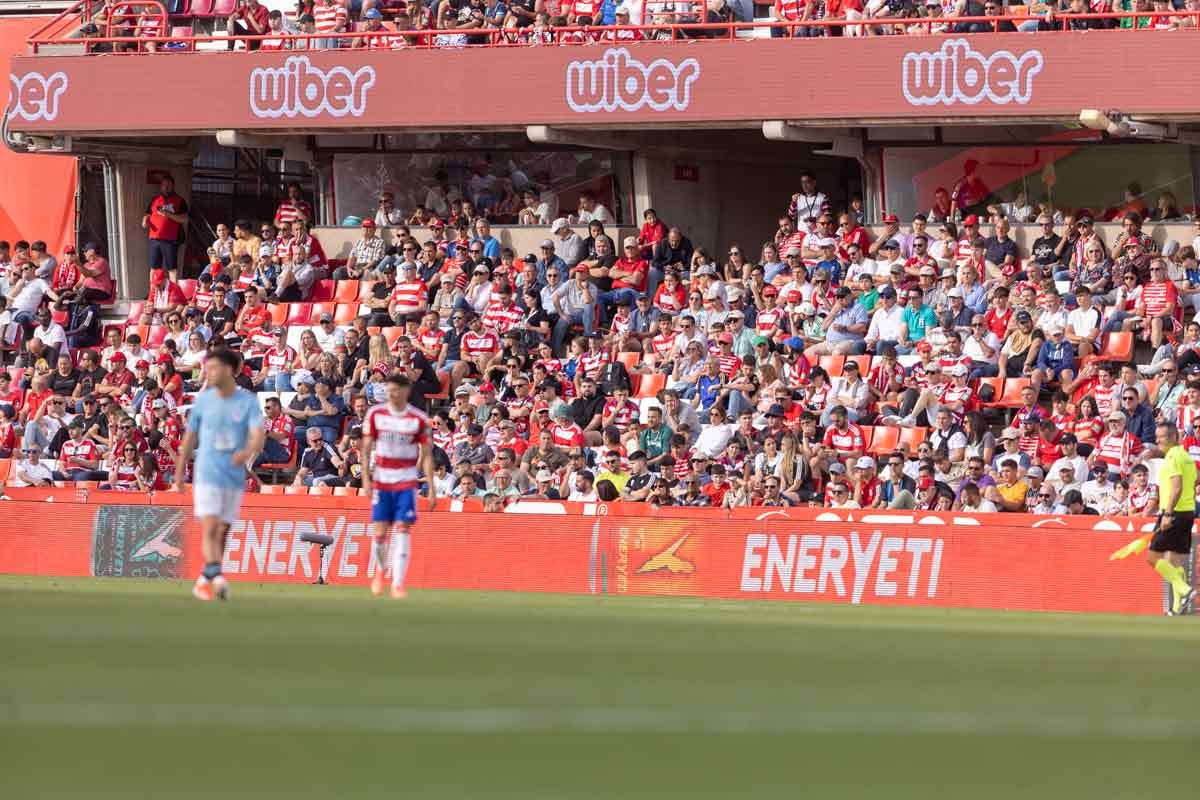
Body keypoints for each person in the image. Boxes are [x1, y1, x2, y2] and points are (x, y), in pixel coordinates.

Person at [173, 349, 265, 602]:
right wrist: (179, 472)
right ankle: (218, 577)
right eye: (207, 368)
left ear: (228, 370)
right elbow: (190, 437)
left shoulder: (247, 401)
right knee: (211, 526)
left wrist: (246, 452)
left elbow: (258, 435)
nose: (208, 373)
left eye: (213, 368)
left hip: (233, 475)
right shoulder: (203, 401)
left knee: (223, 529)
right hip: (207, 471)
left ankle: (206, 578)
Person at [361, 373, 437, 600]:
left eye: (395, 390)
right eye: (389, 390)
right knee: (380, 531)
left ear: (406, 391)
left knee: (403, 528)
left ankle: (398, 583)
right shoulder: (376, 414)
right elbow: (366, 449)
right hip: (382, 480)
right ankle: (380, 572)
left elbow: (427, 455)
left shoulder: (418, 419)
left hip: (406, 480)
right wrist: (366, 479)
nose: (391, 394)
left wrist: (431, 487)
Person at [1149, 422, 1197, 615]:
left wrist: (1168, 514)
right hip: (1187, 512)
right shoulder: (1186, 456)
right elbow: (1194, 480)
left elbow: (1176, 488)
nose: (1157, 440)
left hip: (1174, 512)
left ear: (1171, 437)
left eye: (1160, 437)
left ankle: (1185, 590)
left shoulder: (1172, 457)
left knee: (1153, 557)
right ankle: (1177, 608)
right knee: (1174, 561)